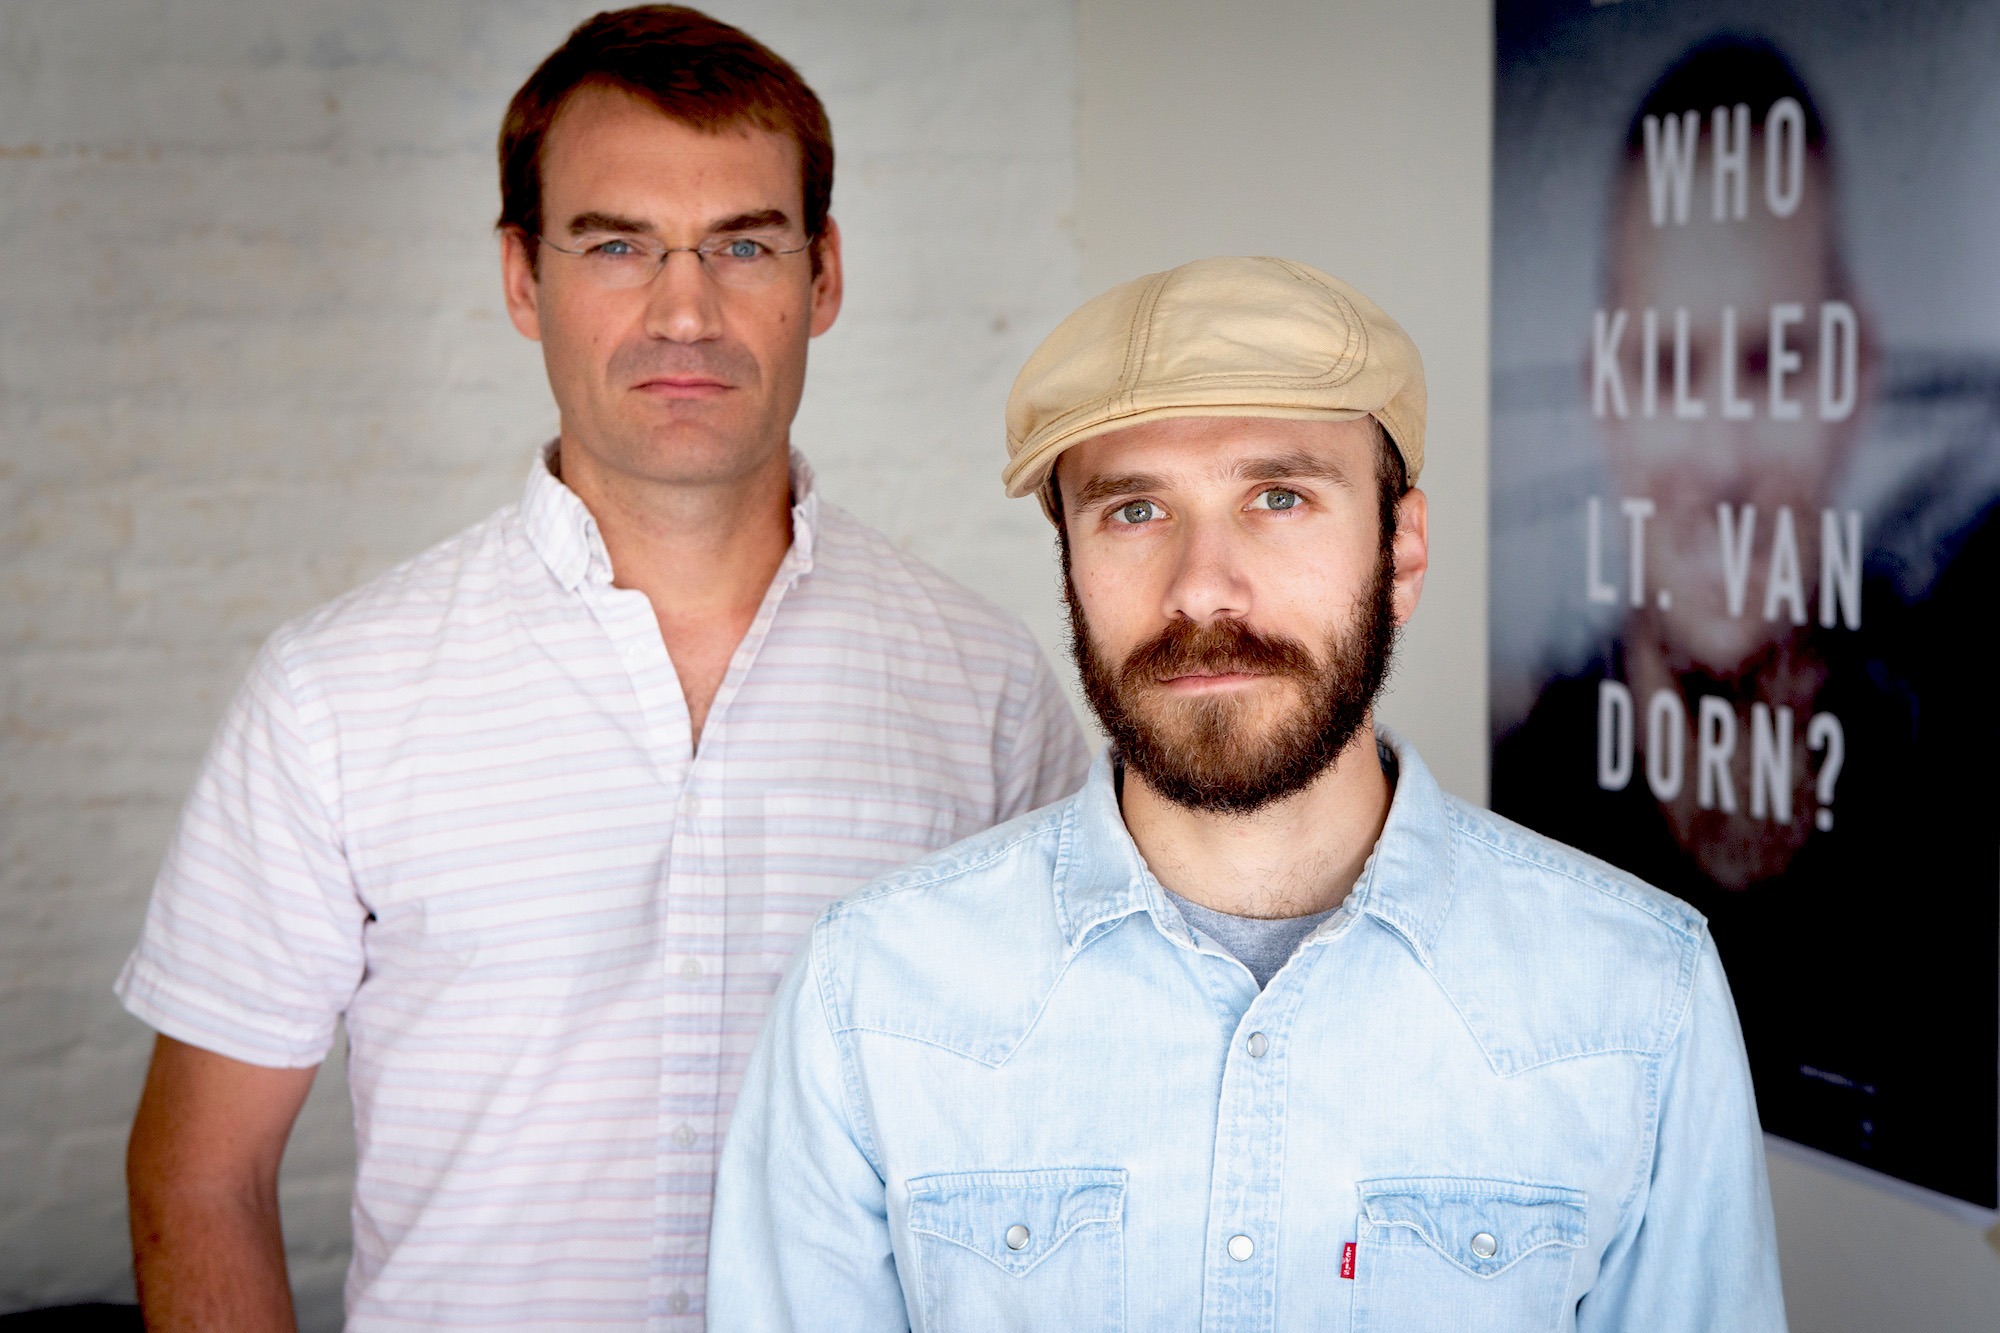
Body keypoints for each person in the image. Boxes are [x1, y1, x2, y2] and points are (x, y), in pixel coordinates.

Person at [116, 7, 1088, 1328]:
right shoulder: (335, 696)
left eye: (743, 243)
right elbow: (202, 1173)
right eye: (615, 245)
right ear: (523, 279)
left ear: (825, 275)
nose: (684, 310)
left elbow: (1057, 1134)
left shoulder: (986, 692)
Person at [709, 256, 1786, 1329]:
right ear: (1068, 561)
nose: (1201, 587)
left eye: (1278, 497)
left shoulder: (1637, 996)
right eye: (1133, 510)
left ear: (1400, 549)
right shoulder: (870, 1003)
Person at [1492, 34, 1999, 1207]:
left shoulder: (1956, 784)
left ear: (1856, 378)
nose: (1720, 459)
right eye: (1670, 368)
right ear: (1602, 395)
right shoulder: (1527, 801)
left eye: (1775, 362)